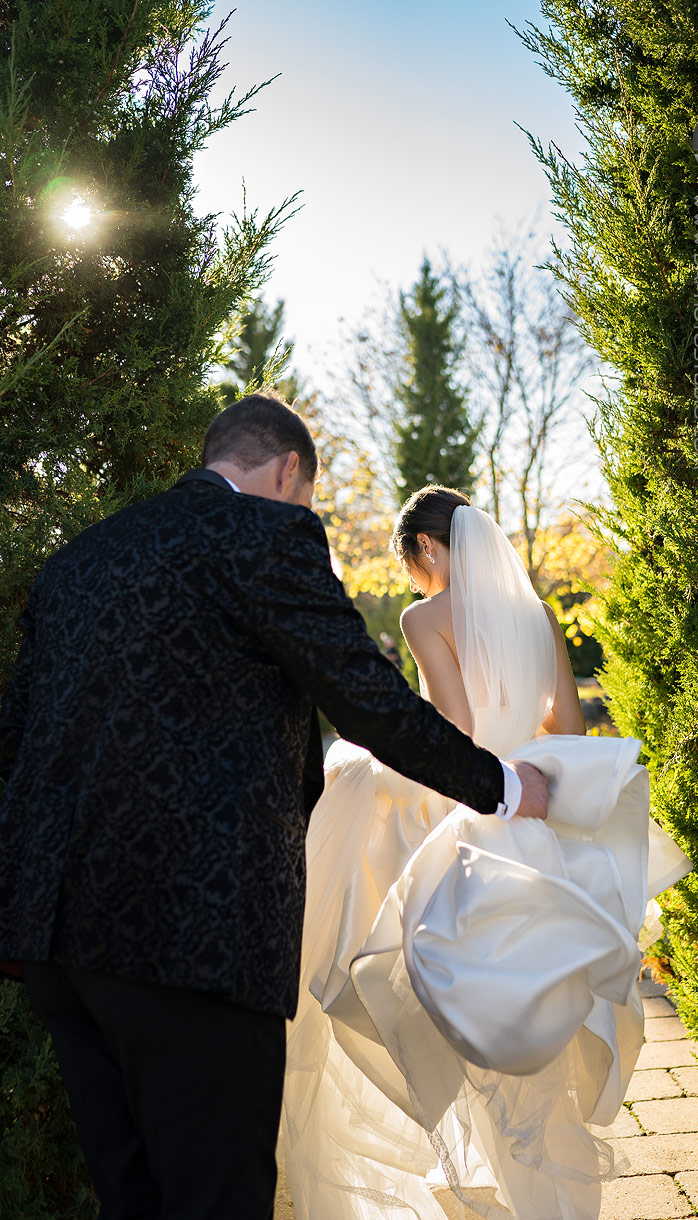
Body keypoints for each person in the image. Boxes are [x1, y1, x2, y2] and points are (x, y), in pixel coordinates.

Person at [0, 397, 551, 1220]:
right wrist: (504, 786)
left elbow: (16, 737)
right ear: (288, 470)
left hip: (53, 937)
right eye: (303, 496)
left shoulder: (79, 558)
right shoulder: (264, 535)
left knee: (131, 1191)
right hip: (187, 933)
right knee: (218, 1193)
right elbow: (364, 697)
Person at [281, 485, 692, 1220]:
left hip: (454, 812)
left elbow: (452, 729)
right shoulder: (535, 617)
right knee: (524, 1018)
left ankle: (451, 1177)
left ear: (426, 549)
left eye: (408, 562)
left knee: (418, 996)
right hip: (530, 827)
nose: (410, 578)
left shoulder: (423, 617)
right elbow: (563, 725)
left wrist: (368, 747)